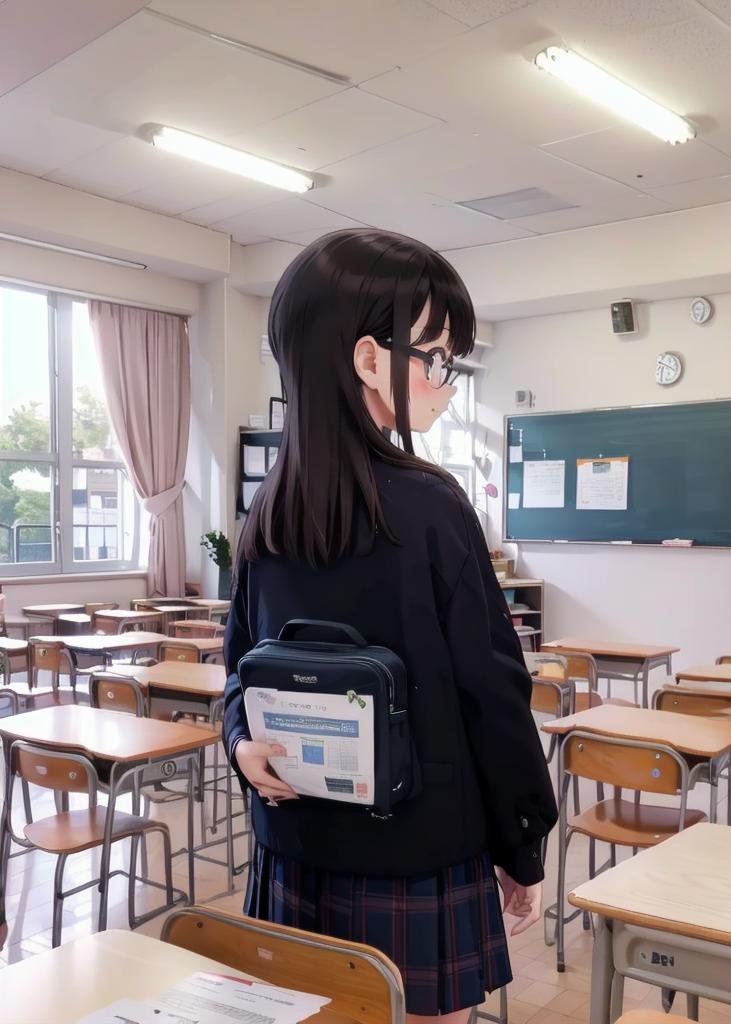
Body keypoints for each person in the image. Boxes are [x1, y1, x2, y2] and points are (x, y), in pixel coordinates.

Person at [222, 228, 557, 1024]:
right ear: (370, 361)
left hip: (292, 844)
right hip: (418, 851)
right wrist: (522, 844)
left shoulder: (266, 514)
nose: (446, 380)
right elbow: (493, 692)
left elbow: (237, 670)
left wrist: (240, 742)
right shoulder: (433, 506)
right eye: (437, 357)